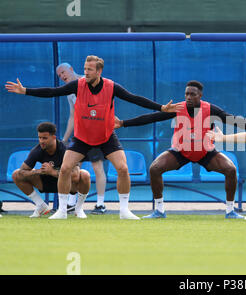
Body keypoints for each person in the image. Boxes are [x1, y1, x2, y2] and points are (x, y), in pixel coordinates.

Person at [5, 55, 180, 220]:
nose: (86, 72)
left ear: (99, 71)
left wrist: (161, 108)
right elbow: (52, 92)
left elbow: (135, 99)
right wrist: (25, 90)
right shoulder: (77, 85)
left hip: (106, 136)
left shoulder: (112, 87)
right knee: (65, 169)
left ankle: (125, 210)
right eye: (85, 68)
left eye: (90, 69)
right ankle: (62, 211)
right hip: (82, 137)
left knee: (123, 169)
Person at [115, 80, 246, 219]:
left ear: (200, 96)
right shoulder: (178, 108)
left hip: (205, 152)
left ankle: (230, 211)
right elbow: (152, 118)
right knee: (155, 168)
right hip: (181, 151)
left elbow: (234, 120)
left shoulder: (210, 109)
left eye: (192, 94)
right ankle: (159, 210)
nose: (189, 97)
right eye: (187, 94)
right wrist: (123, 123)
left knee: (231, 170)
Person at [56, 62, 107, 215]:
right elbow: (72, 115)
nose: (62, 76)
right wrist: (65, 139)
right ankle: (71, 203)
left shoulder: (90, 82)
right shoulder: (69, 91)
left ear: (71, 69)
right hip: (80, 135)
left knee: (97, 167)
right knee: (71, 166)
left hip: (95, 133)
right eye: (59, 75)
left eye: (63, 72)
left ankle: (100, 204)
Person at [12, 122, 91, 218]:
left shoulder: (65, 149)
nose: (41, 141)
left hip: (67, 185)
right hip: (45, 183)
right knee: (15, 174)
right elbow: (21, 172)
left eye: (44, 138)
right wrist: (38, 171)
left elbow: (75, 175)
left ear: (54, 137)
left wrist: (52, 172)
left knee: (85, 175)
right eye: (39, 138)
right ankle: (40, 205)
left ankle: (78, 208)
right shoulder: (37, 150)